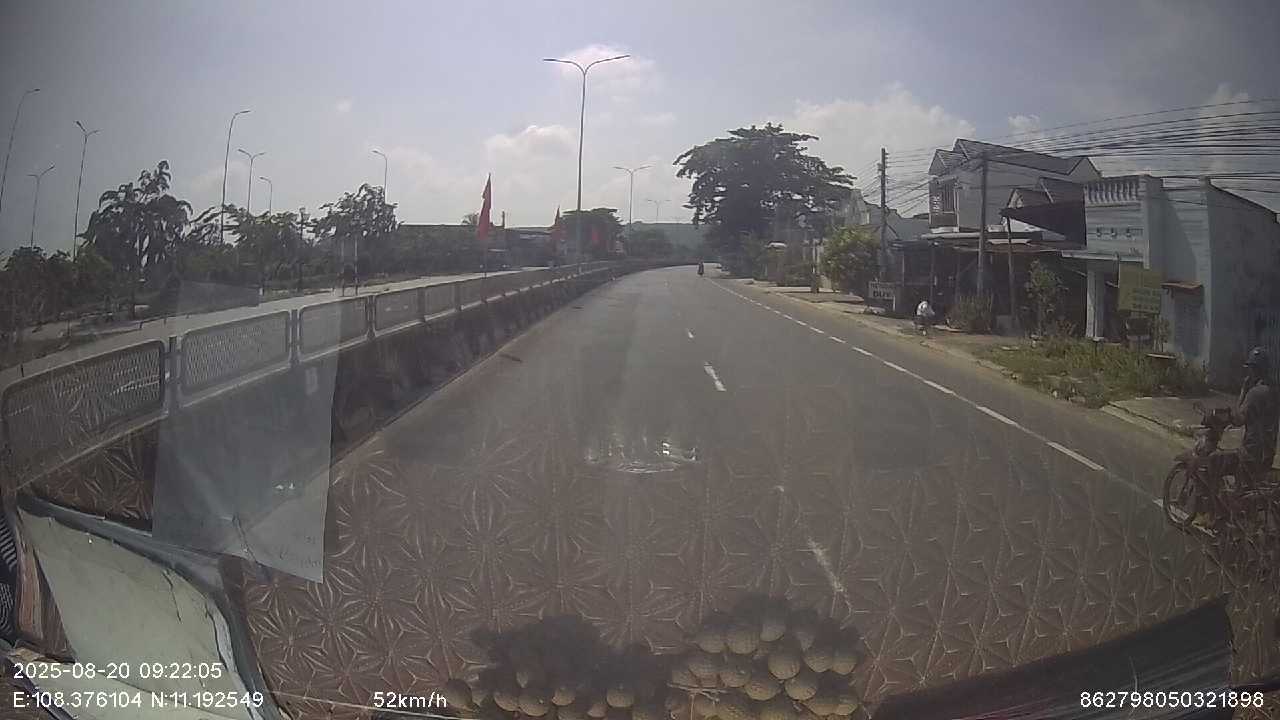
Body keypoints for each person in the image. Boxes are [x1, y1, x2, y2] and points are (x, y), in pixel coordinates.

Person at [1195, 347, 1278, 526]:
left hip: (1250, 453)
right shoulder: (1274, 391)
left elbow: (1239, 418)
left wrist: (1243, 390)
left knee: (1213, 461)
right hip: (1267, 454)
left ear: (1255, 370)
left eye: (1250, 369)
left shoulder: (1255, 393)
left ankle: (1212, 514)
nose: (1248, 373)